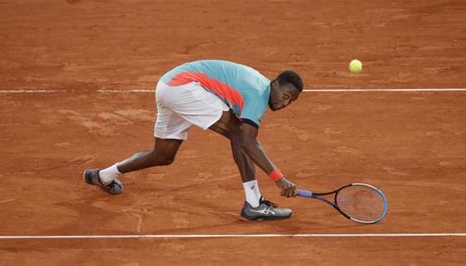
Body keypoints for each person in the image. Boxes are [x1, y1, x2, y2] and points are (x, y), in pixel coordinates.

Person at [84, 60, 303, 221]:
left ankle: (103, 176)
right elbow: (246, 141)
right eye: (285, 96)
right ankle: (254, 204)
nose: (284, 104)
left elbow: (244, 140)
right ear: (275, 84)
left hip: (167, 86)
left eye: (290, 102)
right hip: (185, 87)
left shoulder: (258, 87)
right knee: (239, 134)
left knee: (163, 155)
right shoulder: (258, 94)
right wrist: (279, 179)